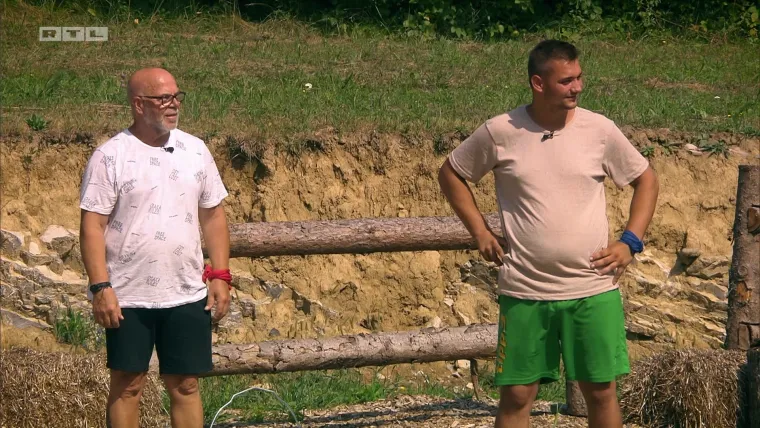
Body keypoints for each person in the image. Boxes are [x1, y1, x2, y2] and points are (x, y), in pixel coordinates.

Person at [438, 40, 659, 428]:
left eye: (579, 77)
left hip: (593, 289)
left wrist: (630, 242)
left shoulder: (600, 130)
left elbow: (647, 180)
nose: (578, 87)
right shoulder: (501, 131)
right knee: (517, 395)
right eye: (566, 81)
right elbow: (451, 173)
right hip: (525, 290)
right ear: (538, 83)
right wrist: (480, 232)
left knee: (601, 391)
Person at [79, 67, 232, 428]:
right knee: (128, 385)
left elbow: (213, 217)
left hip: (186, 291)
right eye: (164, 98)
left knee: (186, 385)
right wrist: (101, 288)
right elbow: (92, 227)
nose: (174, 104)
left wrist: (221, 275)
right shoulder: (110, 156)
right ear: (138, 104)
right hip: (127, 294)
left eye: (177, 96)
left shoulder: (195, 150)